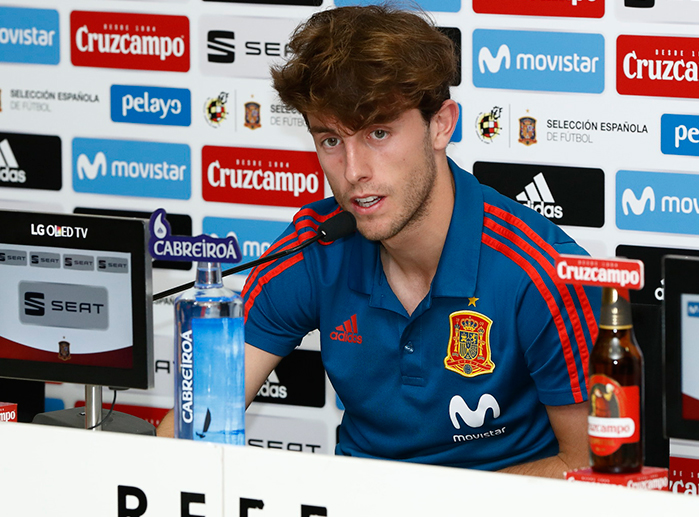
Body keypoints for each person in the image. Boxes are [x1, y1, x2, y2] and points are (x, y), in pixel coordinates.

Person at [158, 4, 600, 478]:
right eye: (330, 140)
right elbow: (191, 432)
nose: (353, 173)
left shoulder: (545, 272)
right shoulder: (315, 246)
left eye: (379, 133)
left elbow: (588, 465)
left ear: (441, 125)